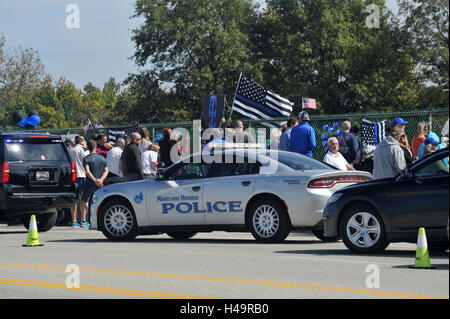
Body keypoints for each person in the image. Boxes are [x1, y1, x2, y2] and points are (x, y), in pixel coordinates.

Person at [80, 140, 108, 228]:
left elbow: (87, 172)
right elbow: (106, 170)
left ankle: (84, 219)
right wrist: (101, 179)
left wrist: (94, 180)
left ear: (88, 147)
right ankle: (99, 219)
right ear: (96, 147)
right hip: (100, 183)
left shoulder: (87, 158)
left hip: (89, 183)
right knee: (100, 200)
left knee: (85, 200)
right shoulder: (102, 158)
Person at [69, 136, 89, 227]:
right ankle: (83, 219)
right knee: (83, 199)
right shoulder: (82, 150)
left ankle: (74, 220)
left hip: (73, 176)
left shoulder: (71, 151)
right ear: (81, 143)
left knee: (74, 199)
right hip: (82, 175)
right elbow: (88, 159)